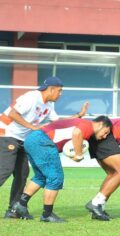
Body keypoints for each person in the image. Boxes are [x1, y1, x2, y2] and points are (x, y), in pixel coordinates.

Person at [0, 76, 88, 219]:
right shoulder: (32, 97)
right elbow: (12, 114)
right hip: (6, 134)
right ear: (51, 89)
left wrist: (78, 116)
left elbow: (57, 122)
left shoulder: (49, 105)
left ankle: (14, 210)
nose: (60, 94)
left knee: (22, 175)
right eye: (59, 91)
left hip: (23, 140)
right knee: (4, 171)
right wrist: (33, 127)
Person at [12, 116, 112, 223]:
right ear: (100, 124)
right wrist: (78, 155)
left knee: (40, 176)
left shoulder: (79, 122)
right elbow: (77, 133)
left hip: (32, 139)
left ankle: (21, 206)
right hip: (43, 141)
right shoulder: (89, 125)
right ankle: (47, 214)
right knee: (55, 178)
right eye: (106, 132)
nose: (105, 136)